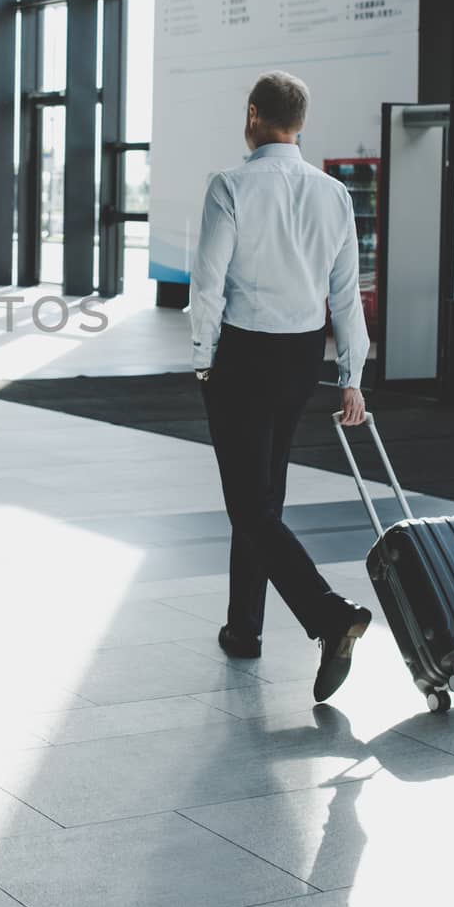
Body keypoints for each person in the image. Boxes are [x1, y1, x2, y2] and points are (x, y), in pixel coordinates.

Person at [190, 71, 373, 702]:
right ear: (300, 122)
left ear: (252, 115)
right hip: (302, 359)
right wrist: (352, 376)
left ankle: (328, 615)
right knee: (263, 497)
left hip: (243, 356)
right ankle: (245, 630)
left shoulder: (231, 185)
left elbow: (208, 284)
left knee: (250, 506)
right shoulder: (334, 193)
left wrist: (202, 359)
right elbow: (346, 293)